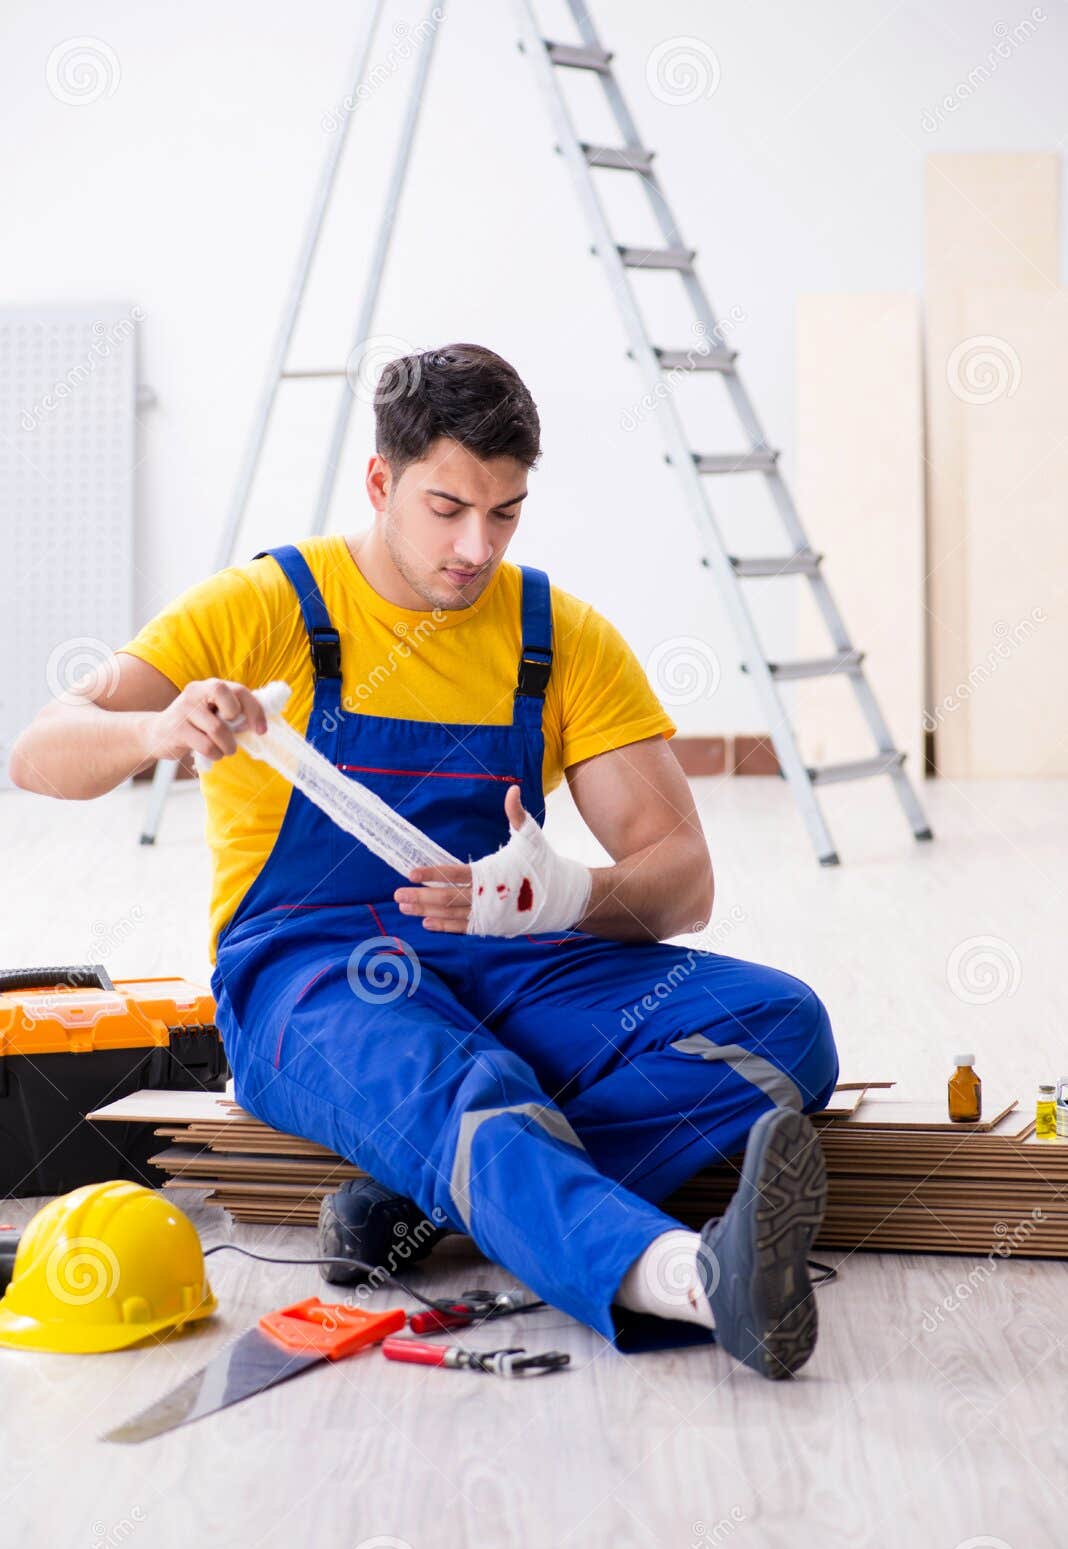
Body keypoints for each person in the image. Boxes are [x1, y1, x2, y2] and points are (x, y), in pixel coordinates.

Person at [11, 343, 838, 1377]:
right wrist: (156, 730)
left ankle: (431, 1199)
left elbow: (684, 881)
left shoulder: (557, 636)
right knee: (475, 1083)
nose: (475, 546)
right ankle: (687, 1277)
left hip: (511, 957)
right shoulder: (272, 605)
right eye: (447, 507)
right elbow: (40, 753)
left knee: (781, 1026)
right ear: (380, 481)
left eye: (505, 513)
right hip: (312, 976)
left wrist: (566, 896)